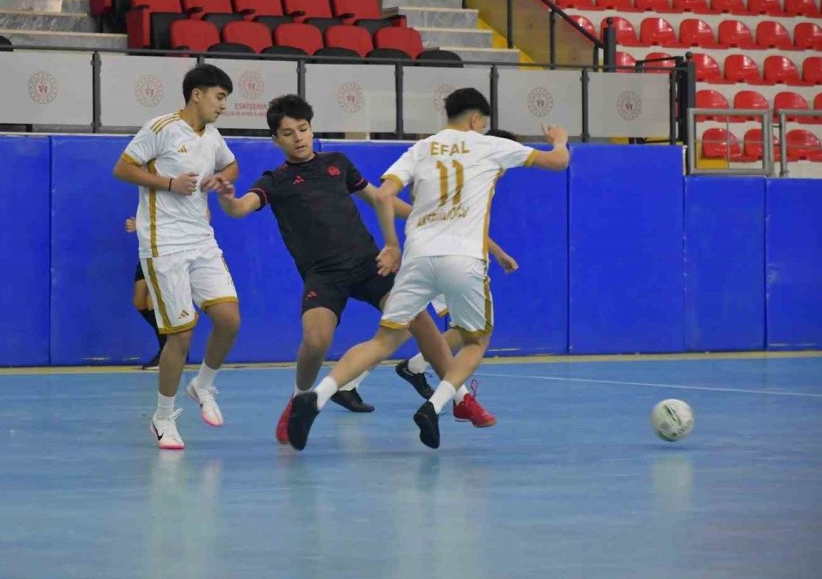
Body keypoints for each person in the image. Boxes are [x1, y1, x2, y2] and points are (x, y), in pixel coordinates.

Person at [287, 88, 570, 451]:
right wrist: (558, 140)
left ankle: (319, 395)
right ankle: (434, 406)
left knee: (383, 340)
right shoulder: (490, 145)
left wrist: (391, 245)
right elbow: (558, 162)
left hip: (417, 257)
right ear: (476, 120)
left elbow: (384, 195)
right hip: (463, 258)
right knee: (475, 340)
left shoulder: (421, 148)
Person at [215, 94, 496, 444]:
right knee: (316, 340)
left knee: (422, 323)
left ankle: (460, 399)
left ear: (311, 128)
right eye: (288, 133)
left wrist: (428, 218)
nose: (298, 138)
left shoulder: (337, 163)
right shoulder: (275, 180)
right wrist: (227, 199)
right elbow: (241, 208)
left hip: (369, 265)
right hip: (323, 274)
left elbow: (380, 198)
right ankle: (300, 399)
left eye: (303, 129)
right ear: (276, 139)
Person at [113, 63, 241, 451]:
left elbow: (231, 163)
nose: (223, 106)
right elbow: (122, 168)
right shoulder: (161, 127)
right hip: (164, 243)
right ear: (197, 94)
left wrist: (222, 178)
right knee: (181, 335)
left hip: (202, 240)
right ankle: (163, 417)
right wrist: (169, 183)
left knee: (229, 319)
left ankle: (202, 385)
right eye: (220, 97)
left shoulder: (212, 135)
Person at [395, 241, 517, 424]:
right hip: (452, 262)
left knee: (466, 328)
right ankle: (450, 401)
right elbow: (472, 230)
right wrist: (499, 253)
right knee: (475, 333)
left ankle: (415, 366)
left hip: (429, 259)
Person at [126, 217, 164, 371]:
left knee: (152, 302)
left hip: (163, 254)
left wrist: (141, 226)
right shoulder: (147, 205)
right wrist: (138, 224)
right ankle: (173, 345)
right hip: (146, 254)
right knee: (139, 302)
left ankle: (167, 351)